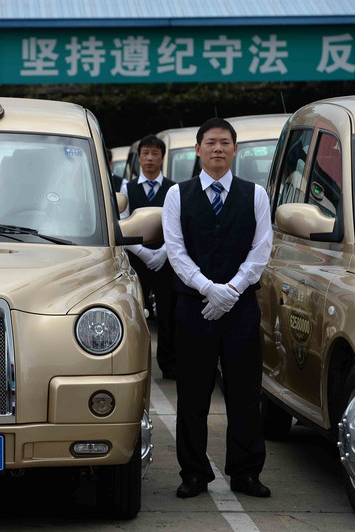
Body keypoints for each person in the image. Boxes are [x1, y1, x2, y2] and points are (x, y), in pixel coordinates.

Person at [162, 118, 272, 499]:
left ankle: (245, 473)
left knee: (245, 393)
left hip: (241, 308)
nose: (218, 149)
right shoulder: (178, 194)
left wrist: (232, 291)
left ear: (235, 149)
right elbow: (175, 251)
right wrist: (209, 289)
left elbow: (261, 251)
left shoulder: (255, 193)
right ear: (197, 149)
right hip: (195, 308)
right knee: (193, 394)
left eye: (225, 143)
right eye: (210, 143)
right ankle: (193, 473)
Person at [121, 135, 177, 379]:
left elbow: (178, 226)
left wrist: (163, 253)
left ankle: (169, 365)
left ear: (163, 157)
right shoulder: (127, 188)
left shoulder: (173, 189)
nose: (150, 158)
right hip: (137, 260)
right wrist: (144, 253)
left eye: (155, 153)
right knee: (135, 314)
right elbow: (121, 223)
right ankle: (133, 362)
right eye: (146, 153)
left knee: (168, 314)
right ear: (139, 158)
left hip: (167, 260)